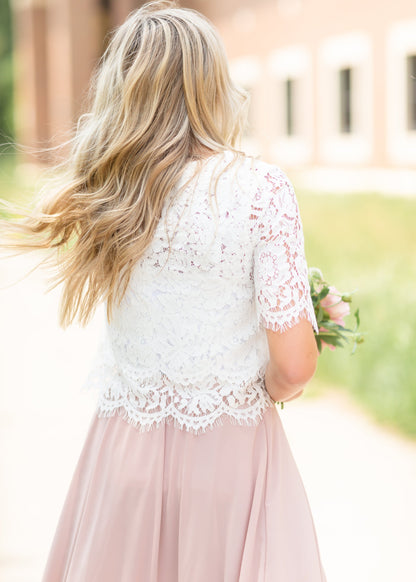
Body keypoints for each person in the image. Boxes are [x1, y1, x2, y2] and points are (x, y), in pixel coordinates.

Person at [1, 1, 327, 580]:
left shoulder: (110, 189)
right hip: (231, 458)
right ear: (212, 82)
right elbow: (295, 365)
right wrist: (273, 382)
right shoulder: (260, 190)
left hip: (122, 455)